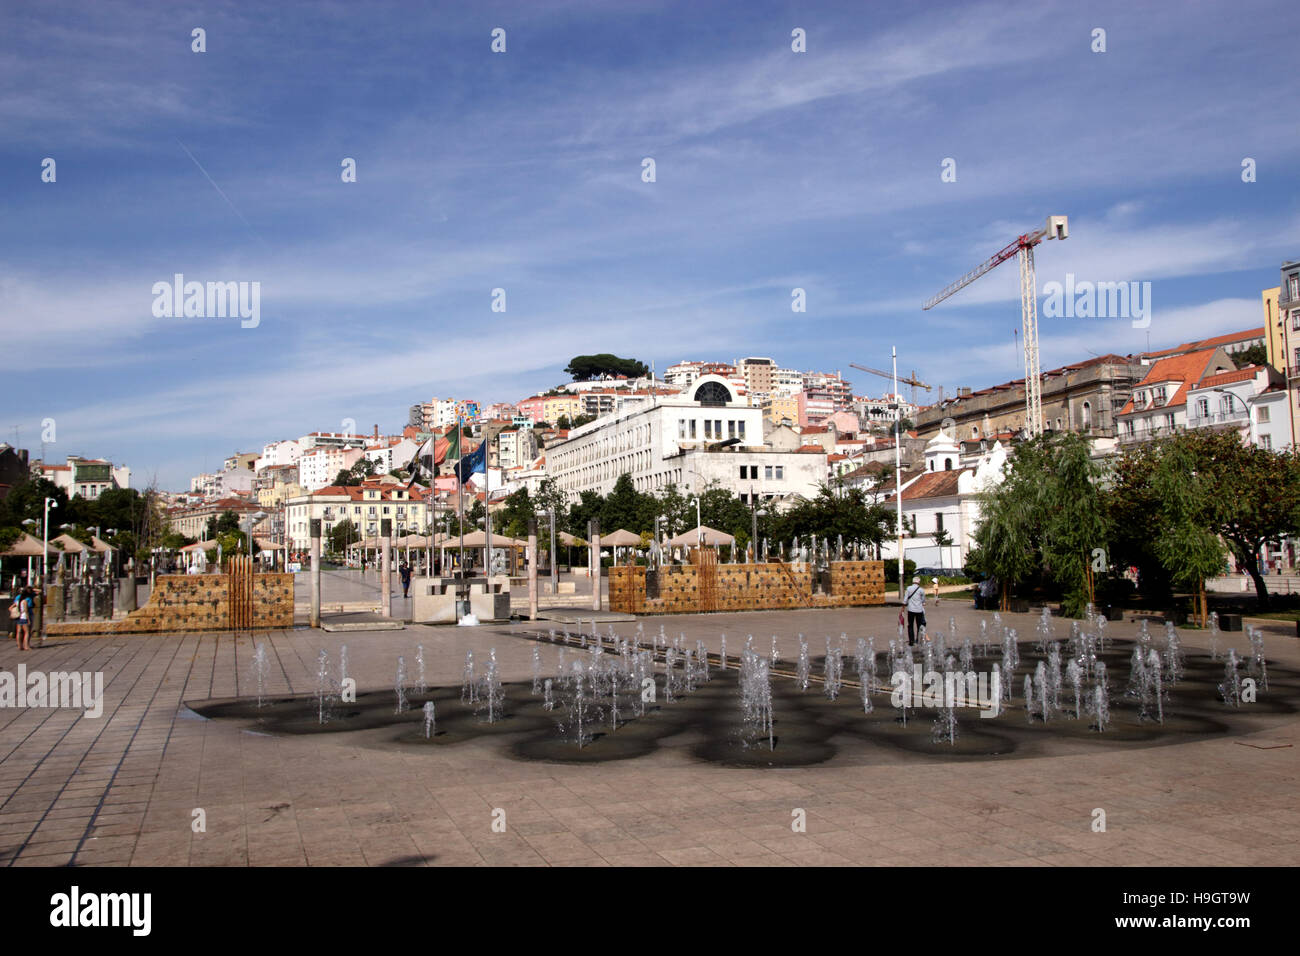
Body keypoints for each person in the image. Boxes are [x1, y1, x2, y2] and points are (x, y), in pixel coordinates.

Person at [904, 575, 927, 646]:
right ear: (919, 582)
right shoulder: (921, 590)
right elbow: (923, 600)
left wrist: (903, 605)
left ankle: (911, 641)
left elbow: (905, 599)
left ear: (912, 581)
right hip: (919, 610)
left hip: (910, 610)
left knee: (910, 625)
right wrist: (922, 603)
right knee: (919, 625)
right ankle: (918, 639)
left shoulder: (908, 588)